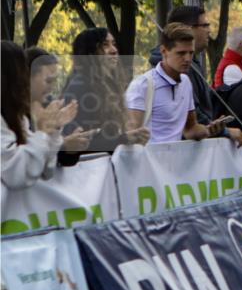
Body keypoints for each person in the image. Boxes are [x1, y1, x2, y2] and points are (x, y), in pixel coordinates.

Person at [151, 6, 242, 146]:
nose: (209, 30)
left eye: (190, 53)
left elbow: (193, 125)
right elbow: (189, 121)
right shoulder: (175, 71)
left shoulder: (190, 69)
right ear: (187, 29)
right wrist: (223, 132)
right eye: (205, 25)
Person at [126, 24, 231, 144]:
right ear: (164, 51)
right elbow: (132, 136)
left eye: (191, 53)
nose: (187, 59)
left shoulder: (185, 82)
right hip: (148, 155)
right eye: (181, 53)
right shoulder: (142, 85)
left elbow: (190, 129)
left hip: (176, 155)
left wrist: (210, 130)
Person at [61, 28, 151, 156]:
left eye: (114, 44)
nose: (114, 50)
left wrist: (129, 138)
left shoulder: (107, 84)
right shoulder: (81, 86)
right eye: (105, 45)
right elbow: (79, 142)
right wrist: (124, 139)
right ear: (89, 52)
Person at [2, 41, 78, 189]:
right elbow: (18, 174)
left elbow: (44, 170)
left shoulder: (17, 116)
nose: (24, 80)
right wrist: (44, 132)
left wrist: (52, 132)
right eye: (22, 73)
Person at [27, 47, 94, 157]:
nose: (52, 87)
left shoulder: (50, 106)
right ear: (27, 77)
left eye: (55, 81)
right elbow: (27, 160)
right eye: (48, 81)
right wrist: (64, 146)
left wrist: (69, 146)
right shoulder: (13, 115)